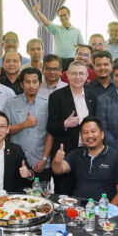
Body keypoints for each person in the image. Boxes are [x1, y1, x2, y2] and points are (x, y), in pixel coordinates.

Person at [46, 61, 97, 195]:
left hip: (87, 153)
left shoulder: (92, 96)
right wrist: (65, 124)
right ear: (67, 75)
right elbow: (51, 127)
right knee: (64, 193)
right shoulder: (56, 96)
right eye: (74, 73)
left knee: (86, 192)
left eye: (81, 73)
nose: (77, 77)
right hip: (65, 154)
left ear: (87, 76)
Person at [50, 116, 118, 202]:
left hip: (103, 208)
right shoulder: (76, 154)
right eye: (85, 132)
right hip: (78, 207)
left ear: (102, 134)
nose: (90, 135)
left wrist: (109, 209)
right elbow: (58, 170)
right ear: (81, 136)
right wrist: (57, 161)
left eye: (93, 131)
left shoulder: (117, 158)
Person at [3, 67, 53, 177]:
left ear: (40, 84)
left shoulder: (48, 104)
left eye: (34, 82)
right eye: (27, 82)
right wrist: (24, 125)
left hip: (41, 161)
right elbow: (4, 130)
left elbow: (50, 134)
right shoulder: (11, 103)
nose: (31, 85)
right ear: (21, 84)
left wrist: (44, 159)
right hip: (16, 161)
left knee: (41, 188)